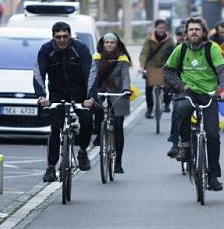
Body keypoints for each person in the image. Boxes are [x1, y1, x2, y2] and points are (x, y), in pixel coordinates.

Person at [163, 17, 224, 191]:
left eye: (197, 29)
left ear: (204, 33)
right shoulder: (181, 49)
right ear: (186, 33)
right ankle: (185, 143)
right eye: (191, 29)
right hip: (188, 91)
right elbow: (168, 70)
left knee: (213, 135)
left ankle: (214, 176)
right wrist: (180, 85)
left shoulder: (212, 49)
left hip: (209, 94)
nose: (194, 32)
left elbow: (222, 71)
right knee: (182, 108)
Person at [33, 22, 94, 182]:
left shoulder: (80, 48)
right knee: (55, 129)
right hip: (57, 94)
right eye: (58, 37)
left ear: (69, 35)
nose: (62, 40)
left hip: (80, 93)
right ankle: (51, 167)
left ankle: (82, 151)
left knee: (87, 121)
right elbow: (38, 73)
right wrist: (41, 96)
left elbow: (91, 72)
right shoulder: (46, 50)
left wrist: (90, 97)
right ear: (53, 36)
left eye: (65, 36)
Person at [83, 33, 132, 174]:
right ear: (103, 44)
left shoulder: (122, 59)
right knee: (97, 111)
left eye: (112, 42)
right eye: (107, 42)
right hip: (101, 92)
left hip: (119, 93)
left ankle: (118, 163)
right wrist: (90, 93)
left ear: (117, 44)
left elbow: (125, 76)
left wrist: (126, 90)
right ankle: (100, 132)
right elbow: (92, 76)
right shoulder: (97, 58)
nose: (109, 44)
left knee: (118, 127)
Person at [139, 19, 175, 118]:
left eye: (163, 28)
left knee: (168, 86)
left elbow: (174, 53)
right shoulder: (149, 39)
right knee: (148, 88)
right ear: (155, 28)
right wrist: (142, 67)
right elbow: (144, 53)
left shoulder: (170, 39)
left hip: (165, 66)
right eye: (160, 28)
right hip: (151, 66)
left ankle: (167, 103)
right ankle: (149, 109)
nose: (162, 30)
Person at [165, 25, 187, 157]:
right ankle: (174, 143)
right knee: (177, 113)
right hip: (178, 87)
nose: (182, 37)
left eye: (184, 34)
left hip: (196, 87)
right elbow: (167, 69)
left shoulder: (196, 49)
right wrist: (169, 85)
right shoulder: (172, 50)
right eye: (179, 34)